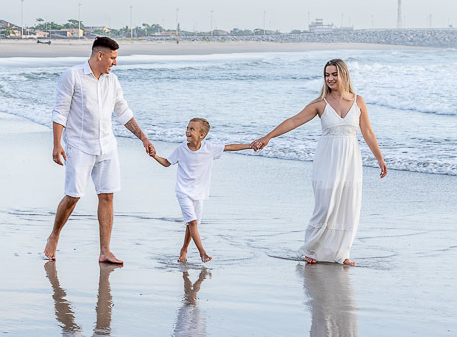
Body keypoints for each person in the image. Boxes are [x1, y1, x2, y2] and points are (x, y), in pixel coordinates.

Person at [251, 59, 387, 265]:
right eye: (327, 75)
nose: (330, 79)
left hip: (351, 160)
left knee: (348, 204)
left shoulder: (358, 101)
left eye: (334, 74)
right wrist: (268, 137)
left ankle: (342, 254)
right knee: (325, 205)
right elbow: (294, 121)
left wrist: (379, 158)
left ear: (344, 75)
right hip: (327, 159)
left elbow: (367, 131)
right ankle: (311, 250)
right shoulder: (320, 104)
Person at [44, 36, 155, 264]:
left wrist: (143, 138)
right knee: (73, 196)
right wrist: (57, 145)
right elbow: (60, 112)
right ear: (100, 55)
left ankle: (105, 251)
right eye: (113, 58)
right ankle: (54, 235)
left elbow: (123, 112)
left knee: (107, 196)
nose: (115, 63)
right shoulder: (72, 76)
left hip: (107, 146)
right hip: (79, 146)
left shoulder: (112, 82)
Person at [151, 118, 250, 262]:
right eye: (187, 128)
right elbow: (167, 163)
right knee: (193, 223)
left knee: (192, 224)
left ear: (202, 135)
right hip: (183, 191)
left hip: (199, 194)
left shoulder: (209, 149)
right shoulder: (181, 149)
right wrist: (154, 156)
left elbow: (230, 147)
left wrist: (250, 146)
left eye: (192, 129)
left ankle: (183, 251)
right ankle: (202, 253)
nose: (187, 131)